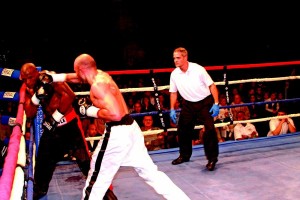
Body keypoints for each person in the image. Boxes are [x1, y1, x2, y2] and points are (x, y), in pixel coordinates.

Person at [48, 54, 191, 200]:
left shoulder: (97, 86)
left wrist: (89, 111)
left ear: (81, 69)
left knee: (97, 178)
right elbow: (77, 77)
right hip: (131, 129)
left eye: (76, 71)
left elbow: (115, 114)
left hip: (117, 133)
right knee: (151, 174)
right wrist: (54, 77)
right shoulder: (100, 74)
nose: (76, 76)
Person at [20, 63, 117, 200]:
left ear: (35, 73)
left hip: (69, 127)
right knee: (42, 166)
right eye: (24, 79)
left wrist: (55, 118)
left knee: (87, 165)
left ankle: (107, 195)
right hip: (51, 131)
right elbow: (29, 113)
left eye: (29, 78)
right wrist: (35, 98)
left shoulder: (50, 78)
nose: (26, 82)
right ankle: (38, 193)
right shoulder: (28, 88)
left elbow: (70, 95)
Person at [169, 47, 220, 171]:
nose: (175, 60)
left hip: (204, 103)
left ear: (185, 57)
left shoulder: (198, 69)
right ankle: (184, 156)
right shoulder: (174, 73)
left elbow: (212, 86)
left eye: (178, 58)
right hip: (188, 104)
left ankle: (212, 159)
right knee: (183, 129)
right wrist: (172, 108)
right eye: (174, 58)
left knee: (209, 130)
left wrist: (216, 103)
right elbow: (173, 92)